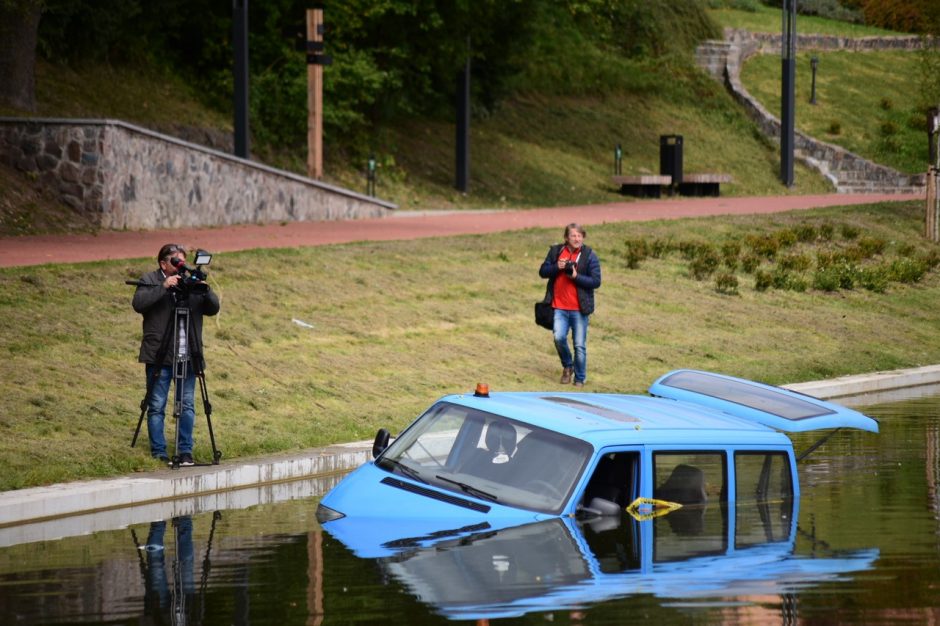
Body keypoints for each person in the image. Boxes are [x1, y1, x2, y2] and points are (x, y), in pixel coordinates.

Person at [133, 244, 220, 466]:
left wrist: (204, 288)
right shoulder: (151, 279)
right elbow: (139, 304)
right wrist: (163, 287)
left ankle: (185, 452)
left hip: (188, 354)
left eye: (182, 261)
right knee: (157, 404)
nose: (179, 266)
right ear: (163, 263)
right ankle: (159, 452)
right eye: (175, 261)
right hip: (159, 355)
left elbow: (213, 309)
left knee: (187, 405)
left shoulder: (189, 280)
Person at [538, 223, 601, 387]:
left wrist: (575, 276)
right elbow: (542, 272)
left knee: (579, 345)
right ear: (566, 238)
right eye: (573, 235)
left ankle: (580, 379)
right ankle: (568, 366)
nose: (577, 238)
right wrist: (556, 267)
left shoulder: (589, 255)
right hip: (559, 306)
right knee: (558, 338)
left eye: (579, 236)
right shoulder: (556, 252)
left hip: (579, 309)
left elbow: (596, 281)